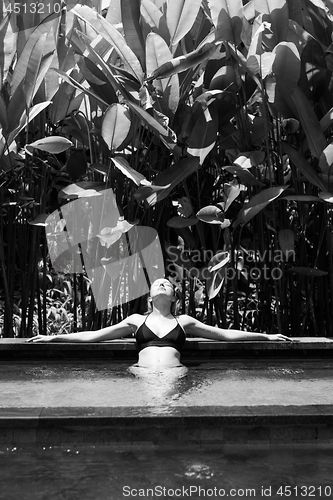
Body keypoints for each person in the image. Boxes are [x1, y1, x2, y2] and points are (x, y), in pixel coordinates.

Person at [28, 278, 293, 367]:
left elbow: (223, 335)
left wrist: (267, 337)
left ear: (174, 297)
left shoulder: (184, 321)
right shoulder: (135, 320)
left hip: (174, 375)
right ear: (150, 297)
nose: (163, 283)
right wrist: (52, 337)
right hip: (140, 373)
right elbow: (94, 335)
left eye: (167, 283)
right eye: (157, 283)